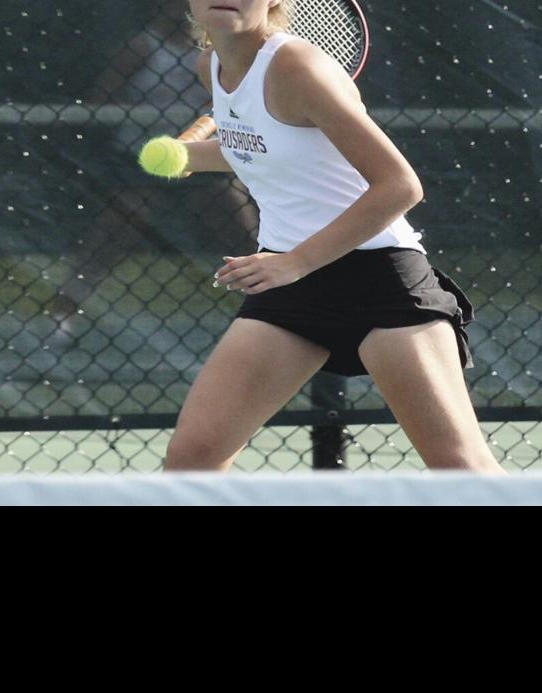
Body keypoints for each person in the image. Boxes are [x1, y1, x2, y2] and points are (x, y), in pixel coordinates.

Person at [162, 0, 502, 473]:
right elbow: (268, 146)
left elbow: (400, 185)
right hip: (289, 288)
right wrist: (191, 157)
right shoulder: (211, 66)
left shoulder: (298, 66)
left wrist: (295, 262)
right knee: (193, 458)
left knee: (459, 467)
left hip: (378, 279)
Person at [45, 0, 258, 335]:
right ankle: (62, 314)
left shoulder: (219, 51)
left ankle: (276, 309)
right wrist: (146, 119)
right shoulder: (142, 47)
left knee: (243, 229)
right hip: (142, 160)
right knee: (113, 233)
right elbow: (103, 100)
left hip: (204, 160)